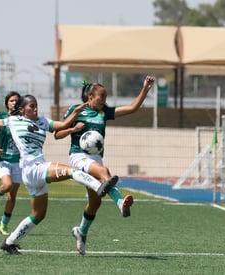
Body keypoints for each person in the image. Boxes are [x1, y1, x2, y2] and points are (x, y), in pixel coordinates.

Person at [0, 89, 118, 255]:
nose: (35, 109)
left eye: (37, 106)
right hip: (31, 168)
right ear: (22, 110)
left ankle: (9, 242)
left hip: (36, 170)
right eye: (32, 106)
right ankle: (99, 186)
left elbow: (62, 126)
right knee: (72, 171)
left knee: (38, 214)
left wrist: (76, 112)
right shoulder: (13, 120)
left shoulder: (42, 121)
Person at [54, 75, 155, 255]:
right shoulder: (75, 110)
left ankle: (81, 232)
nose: (104, 101)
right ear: (90, 97)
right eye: (101, 97)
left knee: (94, 202)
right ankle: (120, 203)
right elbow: (57, 134)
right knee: (104, 172)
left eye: (106, 97)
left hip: (95, 159)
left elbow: (132, 108)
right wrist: (72, 129)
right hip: (78, 156)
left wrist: (145, 89)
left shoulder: (104, 113)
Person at [0, 91, 22, 235]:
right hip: (4, 160)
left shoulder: (23, 119)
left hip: (19, 161)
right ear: (7, 103)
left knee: (12, 196)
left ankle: (3, 225)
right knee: (7, 186)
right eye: (12, 100)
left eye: (17, 101)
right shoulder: (2, 118)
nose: (14, 103)